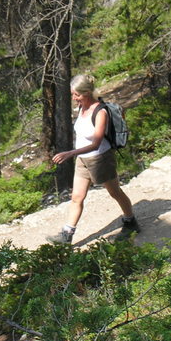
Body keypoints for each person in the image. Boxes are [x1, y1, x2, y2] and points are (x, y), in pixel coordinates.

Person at [46, 74, 139, 244]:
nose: (74, 98)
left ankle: (130, 221)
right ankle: (67, 235)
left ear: (87, 93)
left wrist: (70, 153)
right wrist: (76, 154)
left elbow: (96, 144)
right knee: (77, 197)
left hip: (100, 159)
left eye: (77, 95)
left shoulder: (100, 112)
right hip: (82, 160)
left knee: (115, 192)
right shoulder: (81, 107)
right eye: (73, 94)